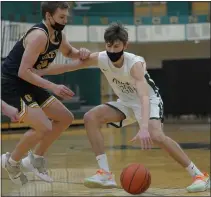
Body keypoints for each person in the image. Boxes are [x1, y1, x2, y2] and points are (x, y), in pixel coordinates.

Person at [34, 22, 210, 193]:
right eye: (109, 45)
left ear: (125, 45)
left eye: (116, 46)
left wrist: (143, 128)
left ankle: (199, 176)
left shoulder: (134, 64)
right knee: (90, 117)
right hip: (125, 102)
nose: (112, 50)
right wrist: (39, 71)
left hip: (149, 101)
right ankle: (105, 174)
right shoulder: (101, 58)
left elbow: (144, 96)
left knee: (156, 136)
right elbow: (68, 65)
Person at [1, 1, 90, 185]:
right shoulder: (39, 36)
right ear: (49, 16)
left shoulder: (59, 35)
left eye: (66, 17)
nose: (65, 21)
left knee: (65, 118)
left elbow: (70, 52)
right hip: (12, 83)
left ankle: (35, 159)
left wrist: (81, 52)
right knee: (44, 126)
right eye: (61, 17)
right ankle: (12, 162)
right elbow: (22, 71)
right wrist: (53, 87)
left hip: (29, 81)